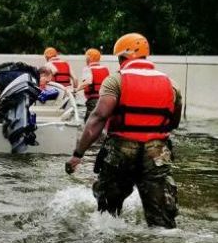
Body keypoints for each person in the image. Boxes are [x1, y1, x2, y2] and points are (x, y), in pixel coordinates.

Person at [65, 33, 182, 229]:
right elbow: (173, 122)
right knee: (162, 222)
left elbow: (98, 118)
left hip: (121, 150)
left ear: (122, 57)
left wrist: (78, 154)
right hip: (157, 153)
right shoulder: (171, 84)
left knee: (107, 215)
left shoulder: (115, 81)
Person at [75, 48, 109, 122]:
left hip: (94, 100)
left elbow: (87, 82)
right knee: (101, 123)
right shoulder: (105, 69)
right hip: (105, 100)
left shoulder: (88, 69)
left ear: (88, 58)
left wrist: (75, 90)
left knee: (88, 123)